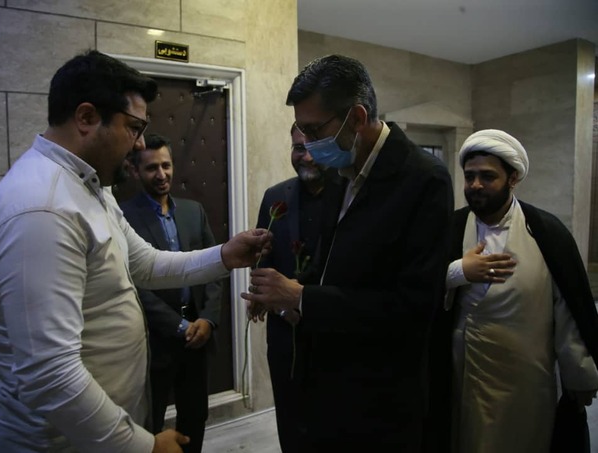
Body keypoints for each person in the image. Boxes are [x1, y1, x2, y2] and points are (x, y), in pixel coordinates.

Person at [0, 50, 270, 453]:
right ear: (87, 117)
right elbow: (50, 372)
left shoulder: (90, 188)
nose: (140, 143)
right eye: (134, 127)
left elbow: (144, 263)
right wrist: (143, 446)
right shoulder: (41, 208)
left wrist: (225, 256)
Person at [241, 54, 454, 452]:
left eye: (313, 130)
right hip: (323, 387)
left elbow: (412, 309)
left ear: (356, 118)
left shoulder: (424, 180)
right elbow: (330, 269)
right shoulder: (343, 171)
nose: (307, 144)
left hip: (378, 400)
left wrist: (302, 298)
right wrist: (290, 301)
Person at [426, 129, 598, 453]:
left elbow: (566, 309)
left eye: (488, 176)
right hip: (462, 373)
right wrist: (459, 271)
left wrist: (580, 373)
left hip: (524, 379)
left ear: (513, 178)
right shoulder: (451, 227)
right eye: (470, 176)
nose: (476, 185)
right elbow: (416, 285)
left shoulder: (545, 232)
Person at [120, 133, 221, 453]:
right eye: (152, 168)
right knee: (150, 423)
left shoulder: (193, 211)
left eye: (166, 165)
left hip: (198, 336)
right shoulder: (122, 217)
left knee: (195, 416)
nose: (161, 174)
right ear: (135, 171)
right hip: (156, 341)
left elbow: (212, 270)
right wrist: (178, 326)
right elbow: (133, 282)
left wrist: (208, 320)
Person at [253, 124, 326, 452]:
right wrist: (269, 300)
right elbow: (261, 260)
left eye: (315, 147)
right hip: (284, 337)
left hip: (332, 337)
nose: (306, 156)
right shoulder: (275, 196)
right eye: (298, 148)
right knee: (291, 425)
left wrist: (305, 302)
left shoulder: (350, 196)